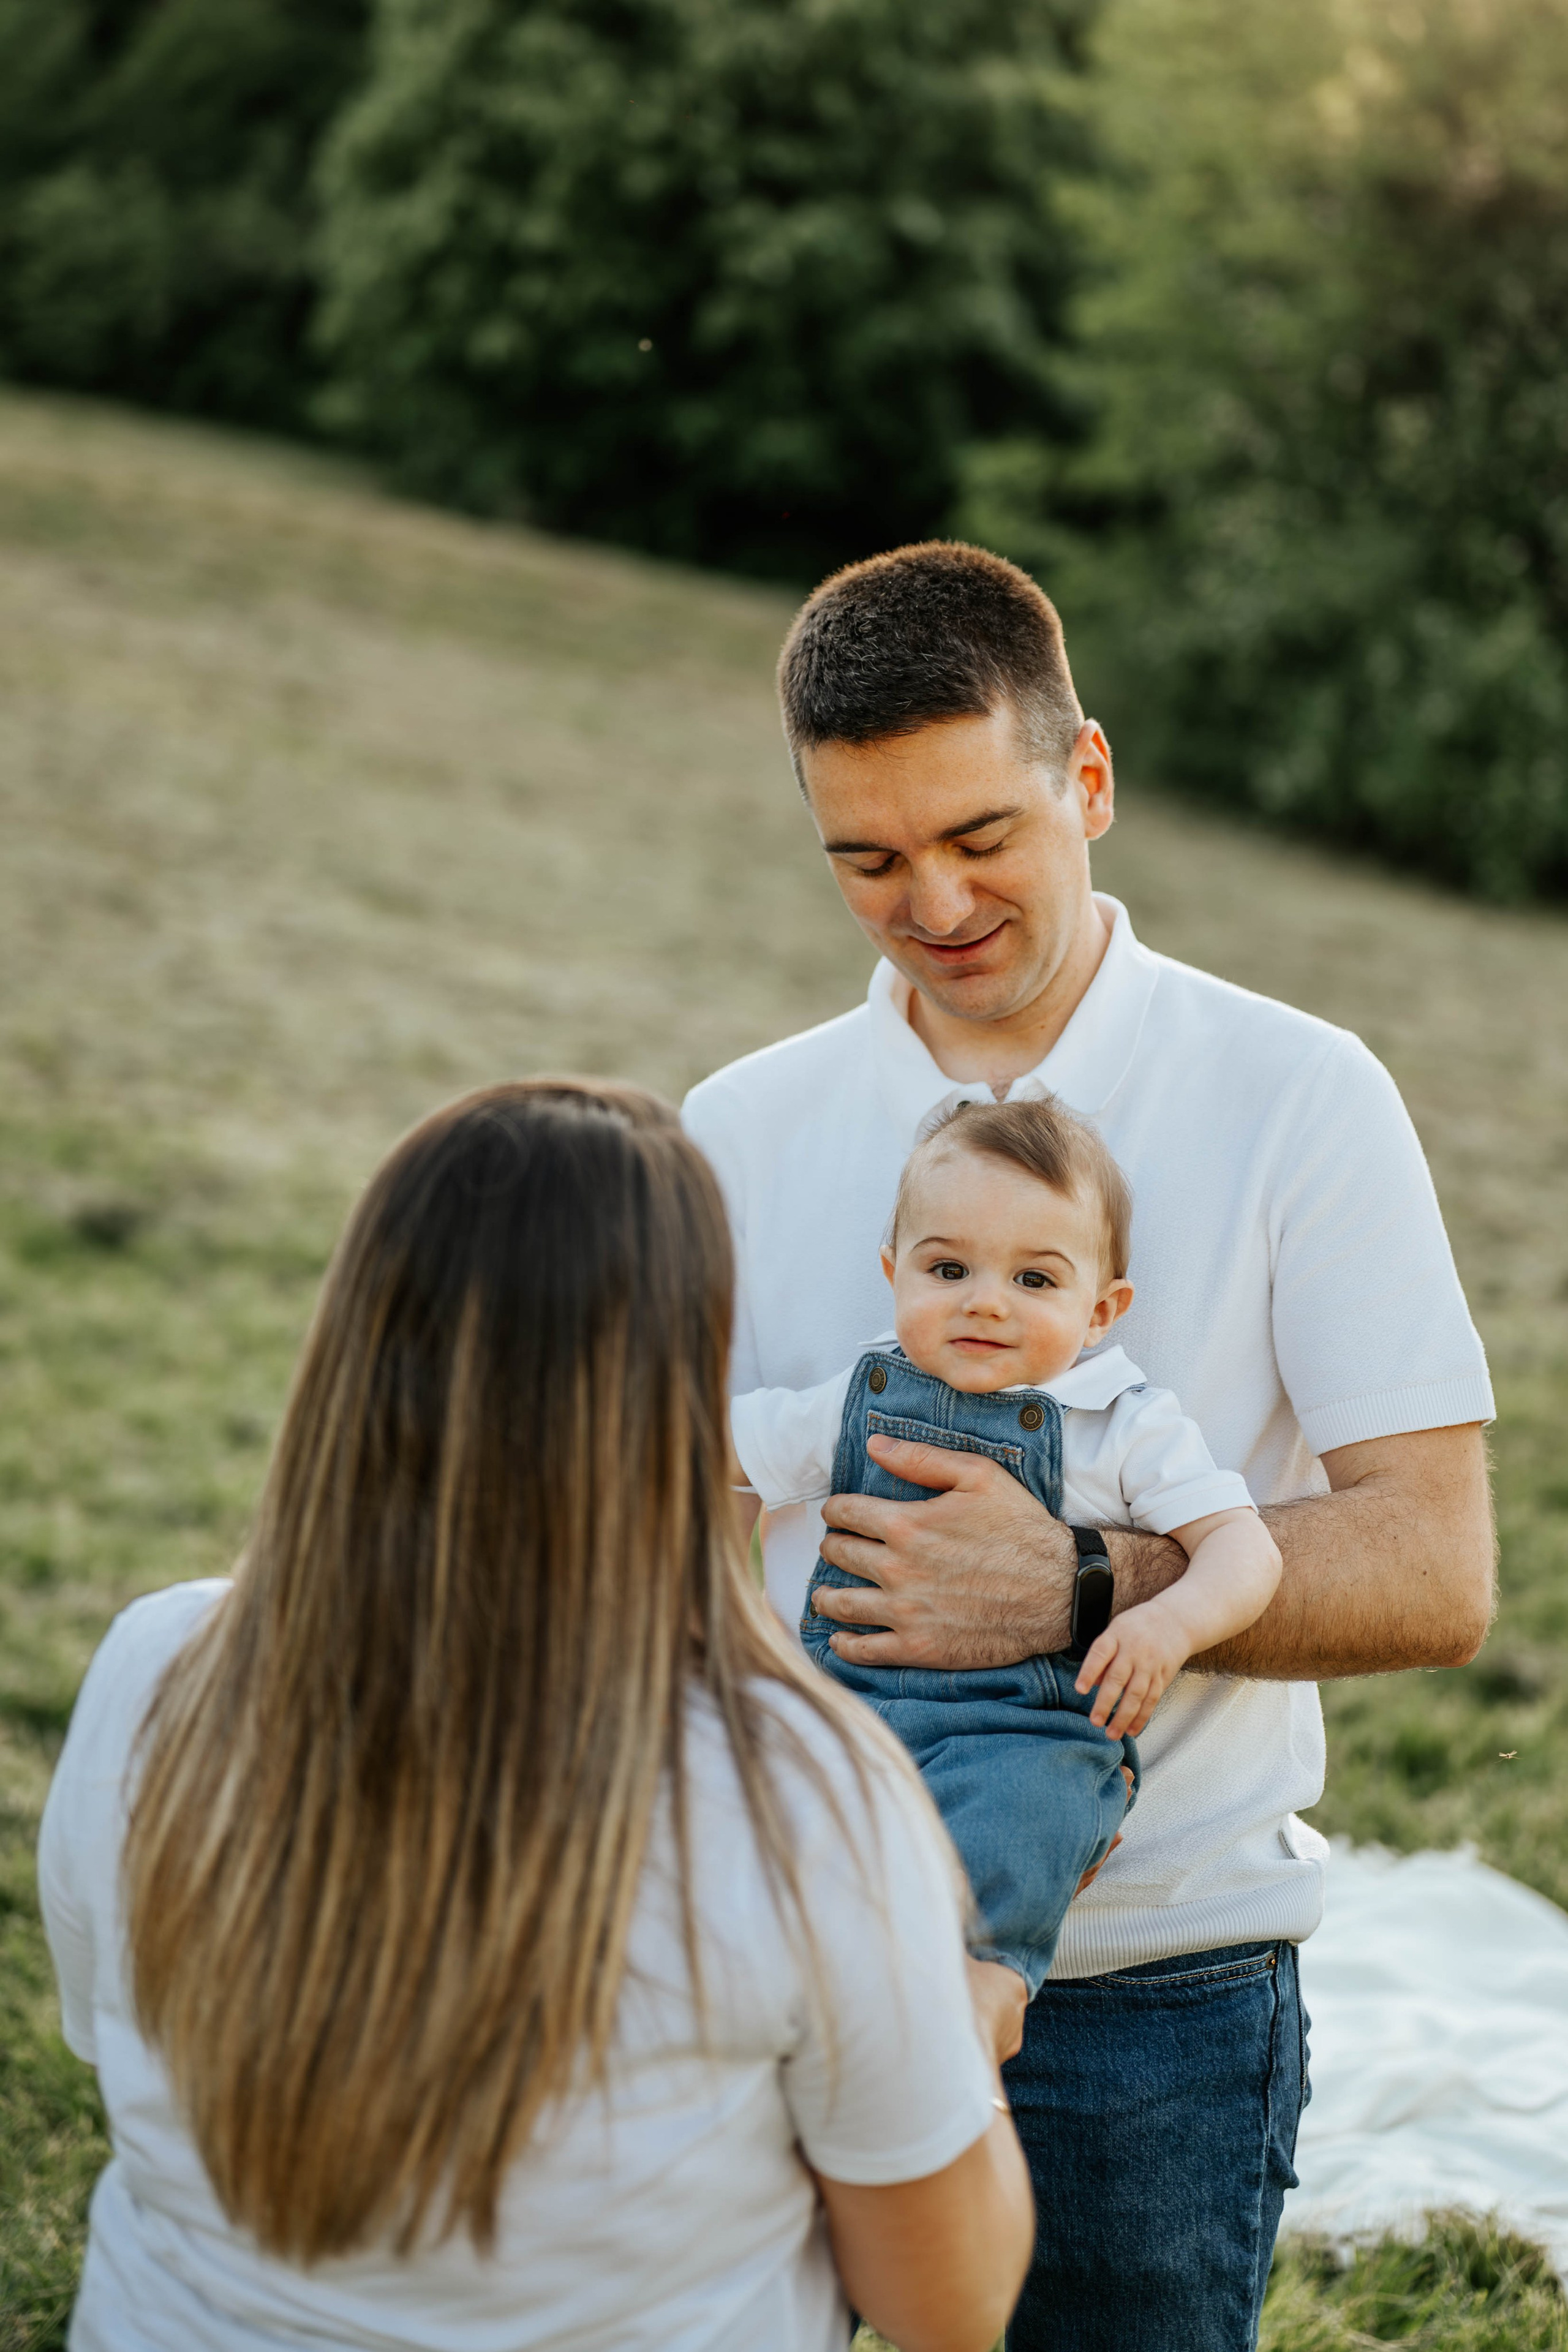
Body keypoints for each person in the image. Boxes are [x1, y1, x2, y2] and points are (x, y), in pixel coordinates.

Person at [682, 542, 1496, 2352]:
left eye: (983, 835)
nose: (934, 901)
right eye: (869, 860)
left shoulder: (1305, 1095)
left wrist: (1073, 1584)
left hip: (1152, 2001)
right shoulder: (735, 1130)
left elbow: (1439, 1571)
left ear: (1092, 781)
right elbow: (667, 1522)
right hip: (792, 1959)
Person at [37, 1079, 1033, 2352]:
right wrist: (953, 2028)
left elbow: (100, 2038)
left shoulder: (155, 1665)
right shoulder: (804, 1795)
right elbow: (946, 2309)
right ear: (678, 1382)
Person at [731, 1093, 1282, 1994]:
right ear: (894, 1271)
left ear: (1102, 1309)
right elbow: (724, 1447)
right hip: (849, 1710)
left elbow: (1243, 1548)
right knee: (765, 1810)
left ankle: (986, 1982)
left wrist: (1170, 1624)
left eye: (1035, 1281)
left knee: (1034, 1812)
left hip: (1019, 1728)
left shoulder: (1124, 1425)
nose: (985, 1304)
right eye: (948, 1269)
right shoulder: (860, 1395)